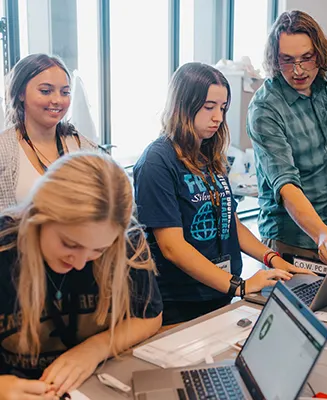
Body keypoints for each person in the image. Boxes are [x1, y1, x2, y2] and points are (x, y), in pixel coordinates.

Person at [134, 63, 311, 326]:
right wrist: (240, 286)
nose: (218, 117)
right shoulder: (157, 161)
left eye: (223, 108)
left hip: (219, 293)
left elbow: (230, 222)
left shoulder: (209, 154)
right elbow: (172, 247)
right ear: (183, 105)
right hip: (180, 302)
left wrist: (270, 258)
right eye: (209, 107)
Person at [0, 152, 162, 399]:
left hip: (95, 385)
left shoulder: (127, 243)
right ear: (39, 216)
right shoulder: (5, 249)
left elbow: (149, 317)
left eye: (99, 250)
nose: (79, 263)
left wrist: (95, 348)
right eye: (69, 244)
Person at [247, 10, 327, 265]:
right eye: (287, 60)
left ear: (320, 52)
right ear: (274, 59)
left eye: (307, 58)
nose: (299, 70)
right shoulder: (265, 108)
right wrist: (320, 234)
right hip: (291, 240)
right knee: (294, 305)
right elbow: (286, 185)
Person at [0, 53, 97, 211]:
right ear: (20, 93)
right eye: (46, 91)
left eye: (64, 92)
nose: (57, 100)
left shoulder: (84, 148)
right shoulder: (4, 151)